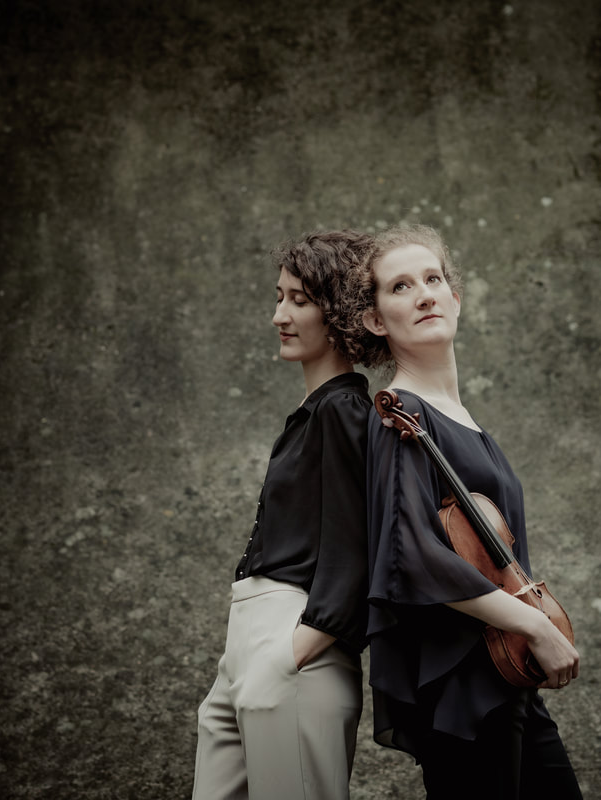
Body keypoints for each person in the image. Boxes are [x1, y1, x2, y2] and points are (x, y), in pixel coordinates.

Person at [352, 224, 583, 799]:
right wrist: (536, 624)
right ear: (376, 320)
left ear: (456, 298)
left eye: (433, 279)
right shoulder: (400, 416)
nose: (424, 295)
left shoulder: (462, 420)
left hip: (506, 675)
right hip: (463, 688)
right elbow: (412, 560)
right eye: (401, 286)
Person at [192, 230, 374, 800]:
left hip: (292, 644)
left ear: (339, 312)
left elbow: (357, 545)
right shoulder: (315, 410)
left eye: (299, 300)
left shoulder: (344, 410)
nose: (279, 315)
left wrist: (293, 652)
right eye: (279, 298)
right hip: (246, 646)